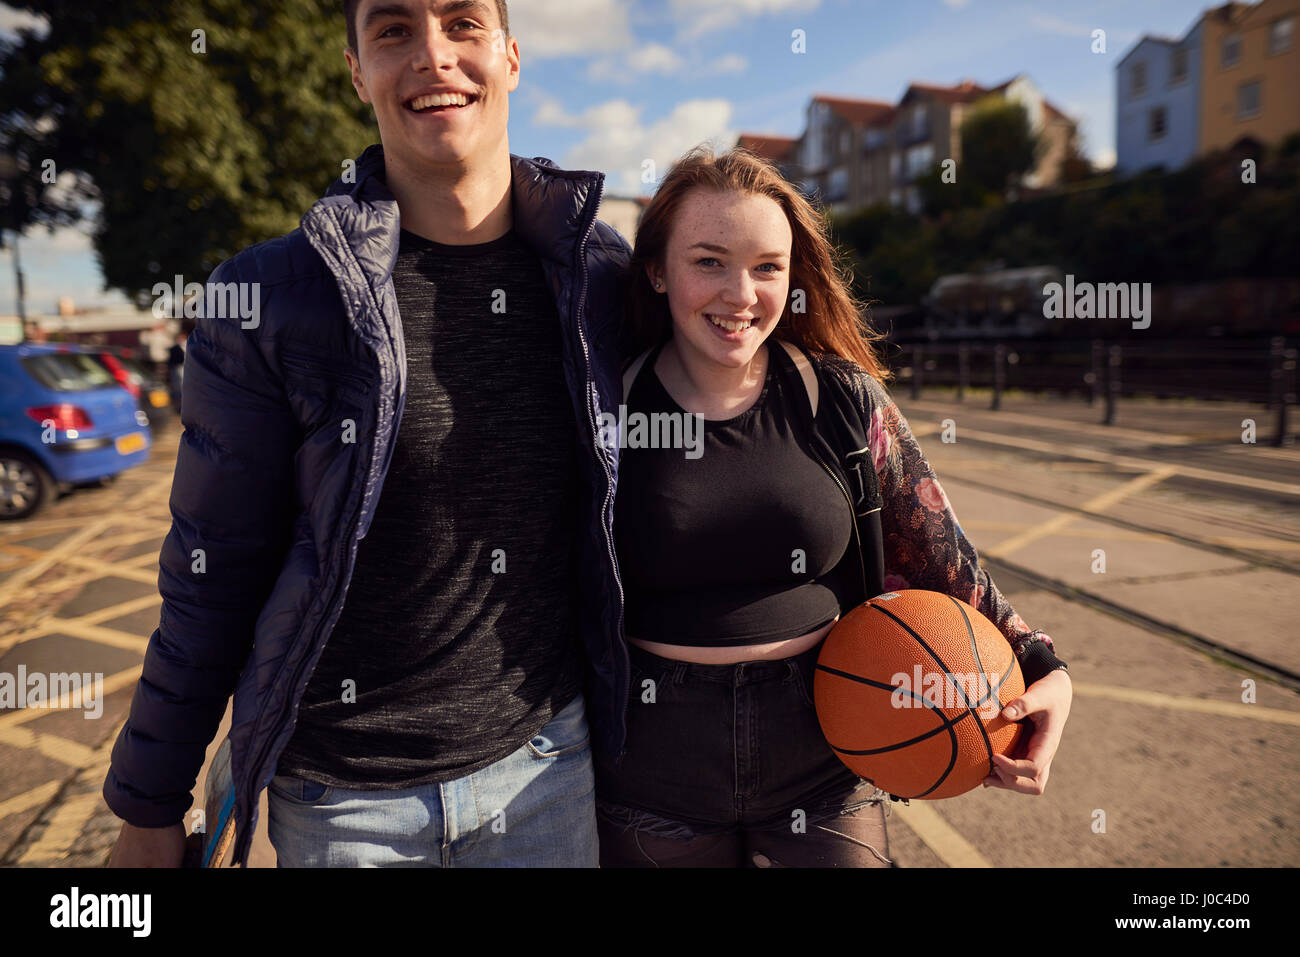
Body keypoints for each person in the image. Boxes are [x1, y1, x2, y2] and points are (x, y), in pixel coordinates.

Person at [104, 0, 631, 867]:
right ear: (357, 71)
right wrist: (148, 804)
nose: (433, 55)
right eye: (393, 30)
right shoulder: (269, 299)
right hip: (343, 805)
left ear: (510, 55)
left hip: (548, 772)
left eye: (462, 23)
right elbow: (210, 570)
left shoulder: (597, 278)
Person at [595, 147, 1073, 867]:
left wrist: (1044, 669)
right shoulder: (607, 410)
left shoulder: (841, 399)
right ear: (658, 270)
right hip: (657, 757)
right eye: (709, 262)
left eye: (766, 267)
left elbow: (943, 553)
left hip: (828, 738)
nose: (741, 293)